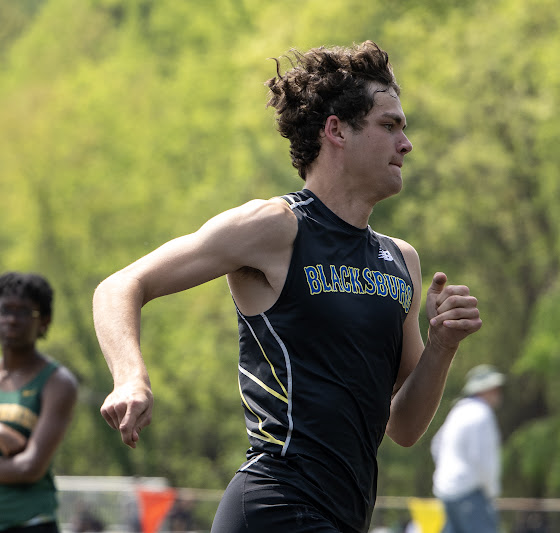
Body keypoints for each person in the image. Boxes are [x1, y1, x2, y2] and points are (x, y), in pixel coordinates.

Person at [92, 40, 482, 533]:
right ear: (336, 130)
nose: (406, 144)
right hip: (274, 504)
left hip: (346, 516)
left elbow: (403, 427)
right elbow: (120, 285)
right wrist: (131, 377)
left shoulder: (401, 260)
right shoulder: (276, 227)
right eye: (390, 126)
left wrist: (443, 346)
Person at [0, 272, 79, 532]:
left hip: (30, 522)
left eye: (24, 312)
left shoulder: (57, 382)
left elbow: (29, 466)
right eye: (5, 310)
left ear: (44, 322)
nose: (12, 319)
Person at [431, 364, 505, 533]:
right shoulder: (482, 413)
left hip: (447, 492)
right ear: (484, 390)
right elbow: (483, 459)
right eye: (494, 388)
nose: (497, 393)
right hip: (471, 493)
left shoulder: (458, 411)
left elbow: (436, 445)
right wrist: (491, 492)